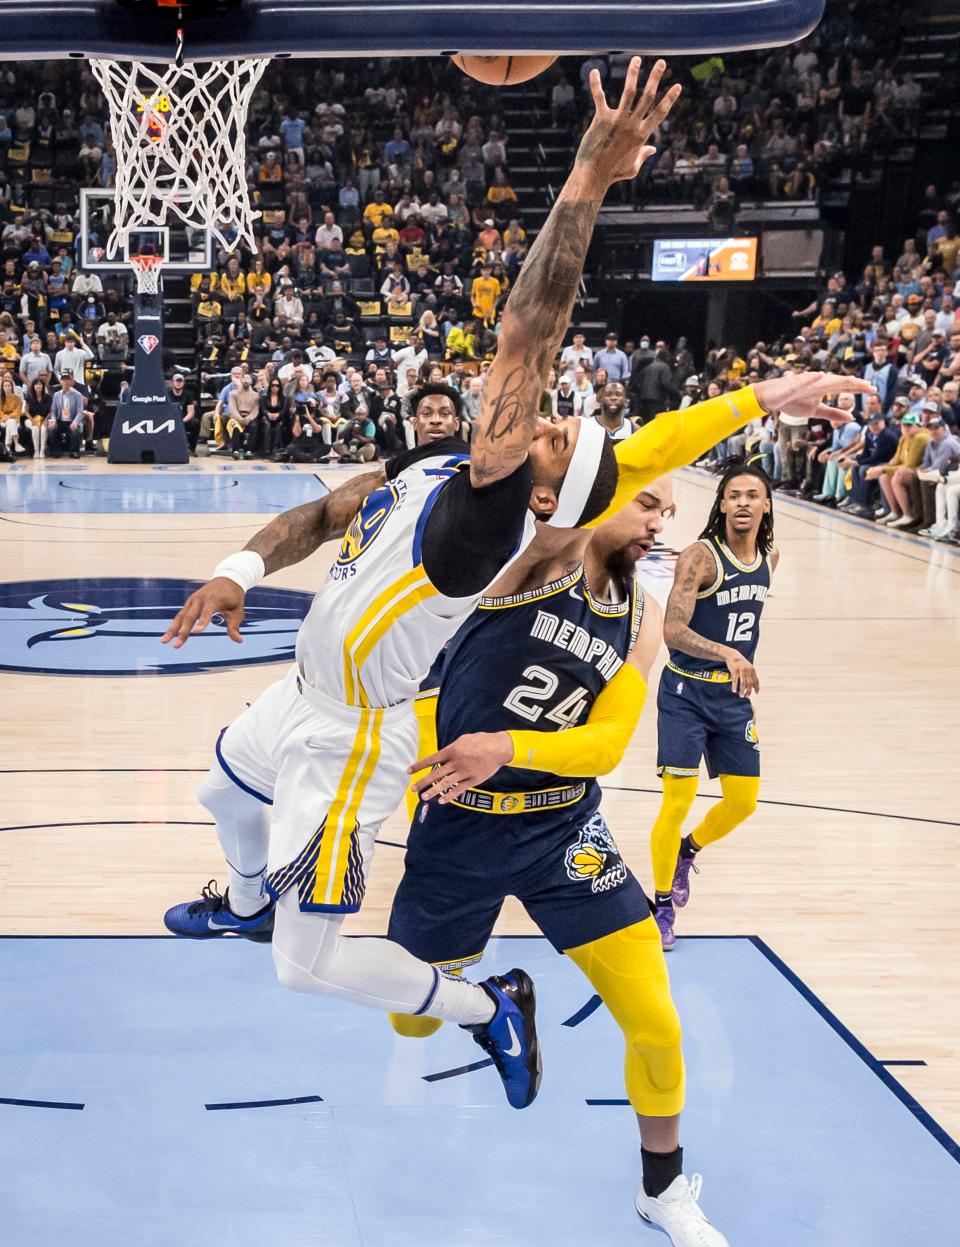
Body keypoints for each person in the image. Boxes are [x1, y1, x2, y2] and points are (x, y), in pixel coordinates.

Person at [160, 62, 867, 1103]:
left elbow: (529, 330)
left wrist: (586, 179)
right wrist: (236, 569)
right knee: (223, 786)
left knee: (306, 966)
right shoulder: (436, 466)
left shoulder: (484, 515)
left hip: (350, 728)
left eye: (553, 433)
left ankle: (492, 1008)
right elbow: (319, 514)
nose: (542, 416)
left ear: (540, 494)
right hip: (295, 694)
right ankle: (252, 894)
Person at [390, 478, 730, 1247]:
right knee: (407, 1019)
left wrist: (506, 747)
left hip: (563, 829)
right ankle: (495, 1005)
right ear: (604, 492)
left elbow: (609, 746)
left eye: (668, 512)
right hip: (458, 829)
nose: (660, 524)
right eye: (648, 503)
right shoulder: (536, 562)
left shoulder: (642, 615)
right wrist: (756, 401)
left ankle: (663, 1187)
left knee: (655, 1019)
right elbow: (613, 465)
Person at [649, 463, 780, 950]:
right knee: (677, 801)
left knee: (743, 802)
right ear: (721, 504)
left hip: (732, 698)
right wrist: (729, 653)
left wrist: (736, 662)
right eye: (734, 495)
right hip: (684, 692)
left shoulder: (771, 556)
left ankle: (689, 850)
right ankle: (661, 904)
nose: (743, 502)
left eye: (753, 495)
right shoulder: (699, 557)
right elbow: (672, 632)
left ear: (766, 505)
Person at [45, 370, 85, 458]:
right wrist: (54, 420)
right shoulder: (56, 395)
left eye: (68, 379)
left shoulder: (77, 395)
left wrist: (75, 422)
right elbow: (53, 410)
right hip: (60, 420)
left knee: (75, 430)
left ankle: (74, 451)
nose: (65, 382)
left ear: (71, 381)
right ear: (60, 381)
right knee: (51, 429)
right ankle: (56, 450)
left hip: (72, 420)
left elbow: (80, 411)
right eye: (63, 380)